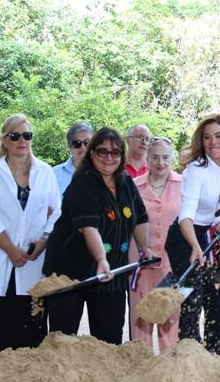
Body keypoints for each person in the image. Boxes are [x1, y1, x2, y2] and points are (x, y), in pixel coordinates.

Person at [44, 127, 153, 345]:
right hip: (71, 271)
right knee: (63, 339)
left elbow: (140, 218)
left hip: (112, 272)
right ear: (92, 153)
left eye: (115, 152)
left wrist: (145, 247)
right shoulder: (82, 182)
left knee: (109, 337)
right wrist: (101, 259)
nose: (108, 157)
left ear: (122, 155)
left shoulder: (126, 182)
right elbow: (88, 227)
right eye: (102, 151)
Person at [0, 114, 61, 364]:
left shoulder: (45, 172)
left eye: (27, 135)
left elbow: (58, 211)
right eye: (15, 136)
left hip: (32, 263)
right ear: (5, 140)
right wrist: (10, 248)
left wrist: (44, 240)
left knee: (29, 336)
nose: (22, 141)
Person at [174, 114, 220, 356]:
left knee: (218, 300)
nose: (213, 142)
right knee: (192, 302)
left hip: (219, 236)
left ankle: (218, 355)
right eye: (207, 138)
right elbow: (184, 215)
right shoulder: (195, 169)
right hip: (189, 237)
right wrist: (195, 247)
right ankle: (189, 358)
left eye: (218, 135)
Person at [128, 137, 182, 353]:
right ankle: (141, 375)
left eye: (166, 157)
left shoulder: (184, 184)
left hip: (171, 266)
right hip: (140, 266)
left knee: (170, 323)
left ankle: (168, 376)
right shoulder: (132, 186)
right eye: (155, 157)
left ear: (172, 159)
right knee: (140, 323)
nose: (161, 162)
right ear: (147, 159)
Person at [53, 123, 94, 194]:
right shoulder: (54, 174)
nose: (83, 147)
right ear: (70, 146)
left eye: (87, 142)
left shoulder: (104, 173)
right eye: (77, 143)